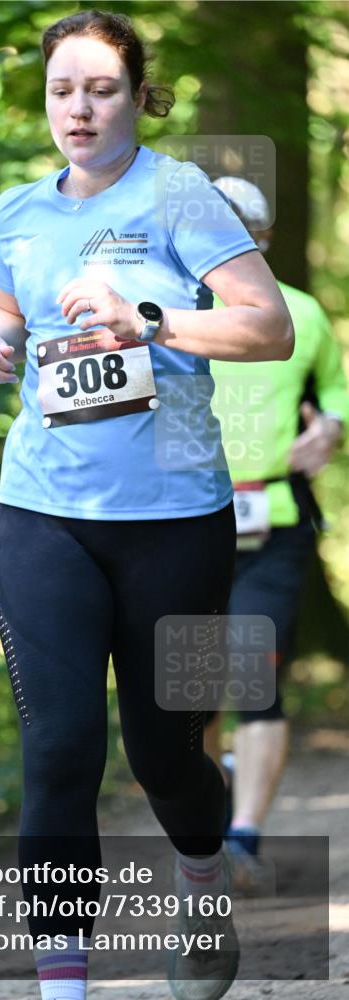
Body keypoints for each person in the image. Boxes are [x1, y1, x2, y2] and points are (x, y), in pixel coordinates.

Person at [0, 11, 293, 1000]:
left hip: (175, 520)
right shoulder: (17, 209)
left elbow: (267, 329)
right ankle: (63, 983)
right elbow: (7, 306)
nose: (77, 107)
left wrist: (144, 318)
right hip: (43, 513)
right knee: (59, 747)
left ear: (134, 94)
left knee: (167, 757)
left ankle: (201, 876)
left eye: (99, 88)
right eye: (62, 88)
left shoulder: (179, 194)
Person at [203, 176, 348, 869]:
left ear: (261, 238)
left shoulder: (299, 314)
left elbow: (336, 392)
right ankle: (205, 815)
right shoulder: (170, 313)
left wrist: (332, 430)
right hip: (179, 524)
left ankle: (244, 836)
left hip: (273, 522)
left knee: (253, 679)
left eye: (242, 226)